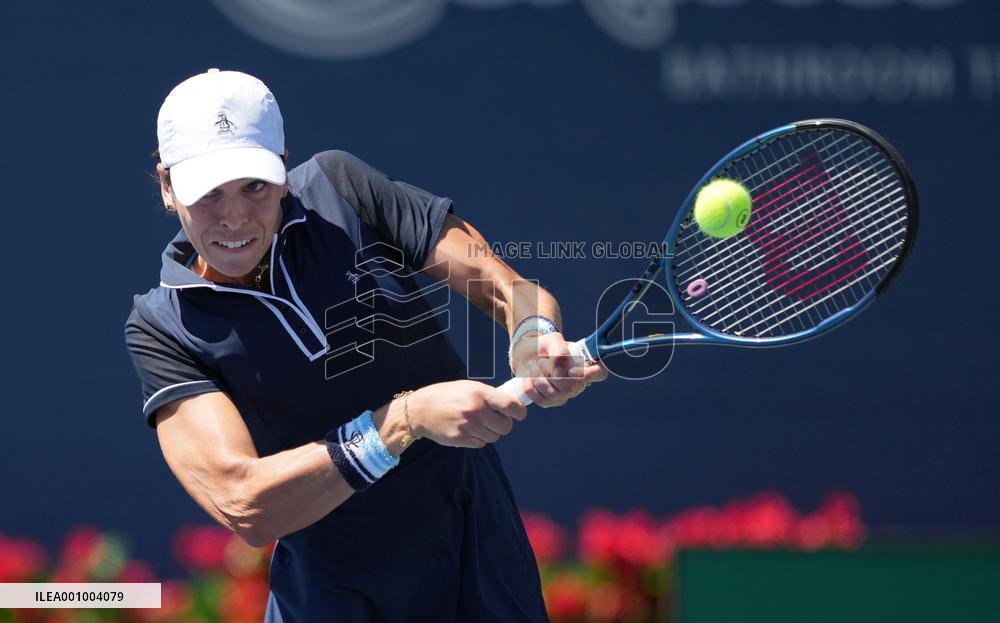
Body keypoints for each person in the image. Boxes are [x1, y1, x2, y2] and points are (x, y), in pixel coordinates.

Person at [124, 68, 607, 622]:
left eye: (254, 187)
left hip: (478, 554)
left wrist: (534, 339)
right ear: (166, 185)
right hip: (337, 596)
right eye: (208, 194)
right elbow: (244, 503)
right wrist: (404, 420)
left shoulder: (341, 187)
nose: (234, 217)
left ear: (283, 167)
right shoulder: (161, 327)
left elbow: (511, 291)